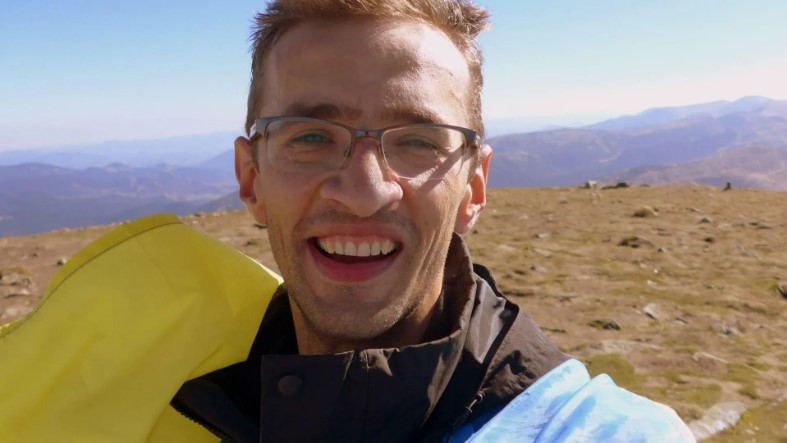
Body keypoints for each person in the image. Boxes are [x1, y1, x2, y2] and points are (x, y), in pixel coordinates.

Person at [0, 0, 695, 442]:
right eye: (310, 135)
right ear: (250, 178)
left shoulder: (605, 433)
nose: (363, 192)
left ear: (473, 187)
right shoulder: (161, 394)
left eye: (418, 141)